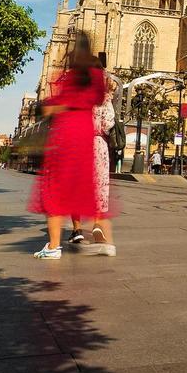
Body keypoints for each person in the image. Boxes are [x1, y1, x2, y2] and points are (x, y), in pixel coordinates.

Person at [28, 31, 105, 260]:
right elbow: (98, 99)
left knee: (55, 190)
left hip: (67, 133)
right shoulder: (96, 75)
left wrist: (49, 107)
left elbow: (61, 103)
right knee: (78, 186)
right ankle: (86, 232)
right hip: (85, 132)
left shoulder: (70, 75)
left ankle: (53, 246)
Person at [70, 57, 117, 256]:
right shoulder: (104, 96)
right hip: (99, 146)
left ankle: (77, 229)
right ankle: (97, 223)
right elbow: (108, 124)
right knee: (98, 186)